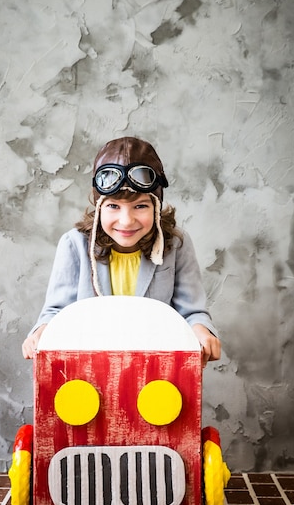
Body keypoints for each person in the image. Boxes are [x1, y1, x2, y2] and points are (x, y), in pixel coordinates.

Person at [22, 136, 221, 366]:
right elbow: (57, 312)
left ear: (156, 206)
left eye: (140, 206)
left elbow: (191, 312)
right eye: (113, 206)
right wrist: (41, 333)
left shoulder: (175, 244)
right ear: (99, 207)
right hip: (91, 366)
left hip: (154, 367)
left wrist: (202, 332)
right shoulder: (74, 244)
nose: (126, 221)